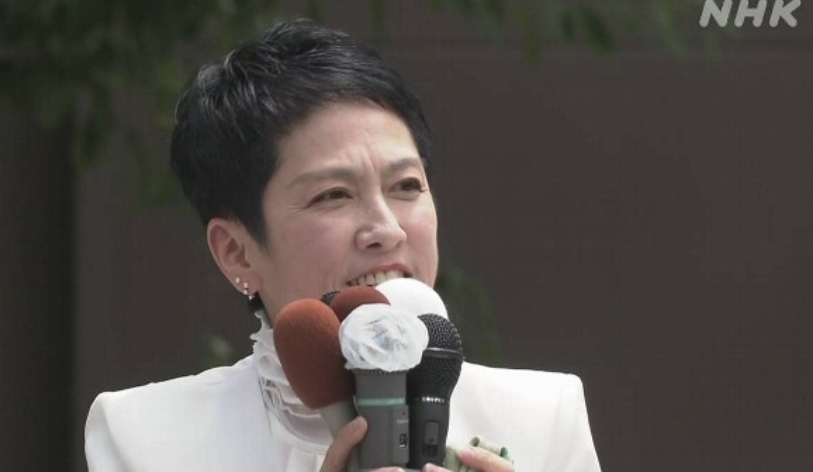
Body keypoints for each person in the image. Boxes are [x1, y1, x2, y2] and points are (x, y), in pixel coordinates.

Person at [84, 19, 602, 472]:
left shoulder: (543, 416)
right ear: (237, 252)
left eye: (407, 186)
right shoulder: (146, 435)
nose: (387, 229)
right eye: (333, 195)